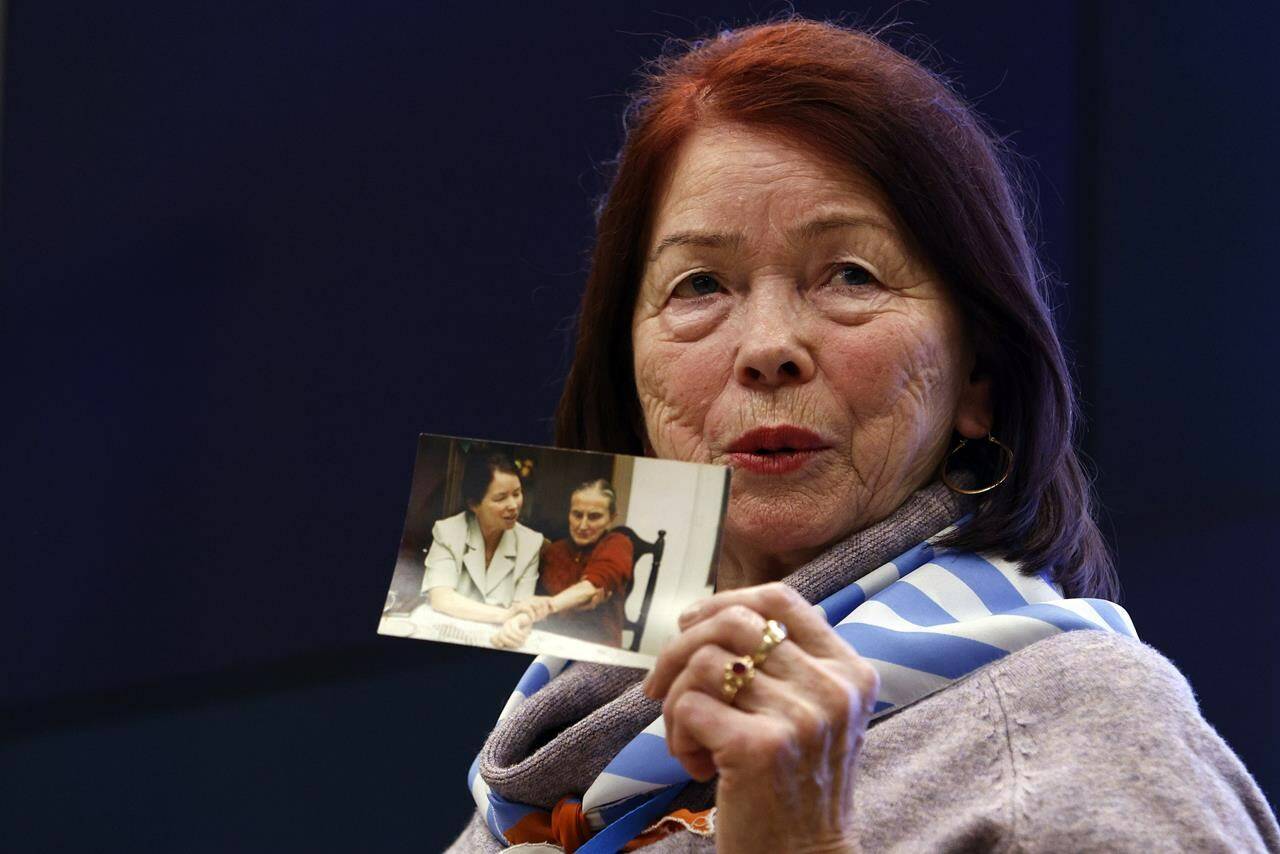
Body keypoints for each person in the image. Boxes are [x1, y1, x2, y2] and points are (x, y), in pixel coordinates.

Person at [449, 19, 1280, 853]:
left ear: (978, 381)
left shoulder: (1086, 725)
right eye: (699, 285)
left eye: (852, 275)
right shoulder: (541, 747)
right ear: (629, 375)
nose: (768, 345)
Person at [493, 480, 635, 650]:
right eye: (577, 514)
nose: (582, 525)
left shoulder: (618, 543)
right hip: (549, 644)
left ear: (611, 518)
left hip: (597, 649)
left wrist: (548, 606)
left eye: (594, 516)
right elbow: (532, 597)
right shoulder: (553, 551)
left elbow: (592, 586)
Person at [420, 452, 544, 626]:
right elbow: (441, 597)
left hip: (499, 635)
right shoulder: (448, 531)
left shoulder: (530, 543)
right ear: (473, 504)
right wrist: (504, 616)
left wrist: (518, 623)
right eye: (501, 498)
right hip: (448, 628)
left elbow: (521, 609)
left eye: (517, 494)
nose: (513, 505)